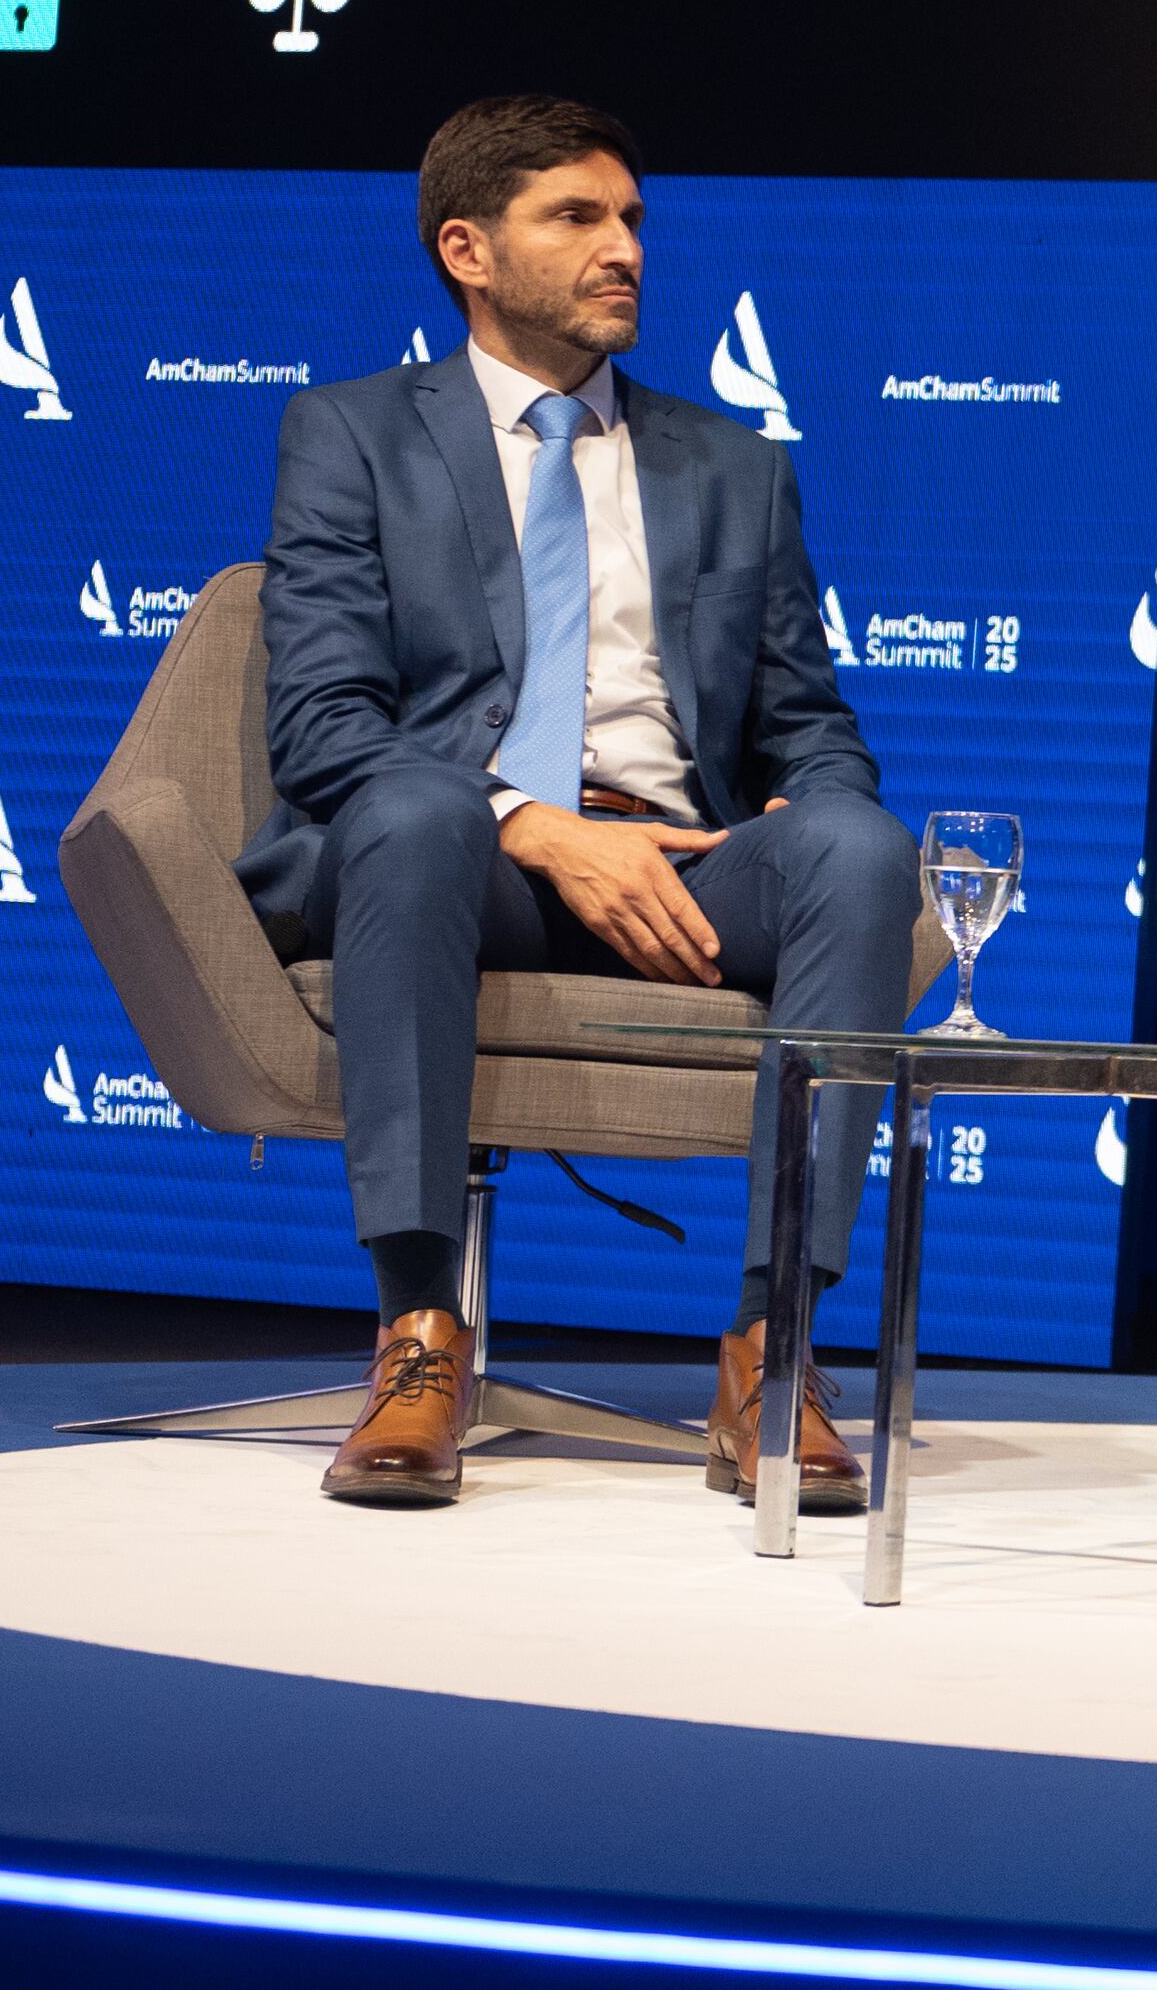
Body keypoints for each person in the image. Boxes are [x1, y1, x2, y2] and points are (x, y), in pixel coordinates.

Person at [241, 95, 920, 1512]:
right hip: (463, 855)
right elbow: (321, 728)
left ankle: (773, 1344)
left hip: (682, 858)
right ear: (469, 248)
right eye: (579, 218)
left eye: (633, 221)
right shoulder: (351, 434)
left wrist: (766, 836)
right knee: (423, 813)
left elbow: (814, 729)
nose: (626, 250)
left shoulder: (733, 466)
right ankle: (420, 1332)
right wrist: (534, 823)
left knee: (859, 846)